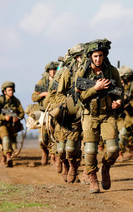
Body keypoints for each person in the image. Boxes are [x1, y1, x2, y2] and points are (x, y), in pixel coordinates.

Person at [75, 38, 123, 193]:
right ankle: (93, 179)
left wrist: (118, 102)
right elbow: (80, 97)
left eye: (100, 56)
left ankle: (106, 168)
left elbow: (120, 93)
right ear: (90, 56)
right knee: (90, 150)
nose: (98, 59)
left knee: (114, 149)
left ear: (104, 56)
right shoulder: (83, 73)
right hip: (89, 114)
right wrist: (96, 88)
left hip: (107, 114)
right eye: (95, 56)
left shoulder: (112, 71)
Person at [49, 43, 85, 182]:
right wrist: (66, 105)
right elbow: (57, 94)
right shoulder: (65, 73)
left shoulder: (90, 72)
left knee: (73, 147)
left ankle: (73, 167)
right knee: (61, 149)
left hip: (80, 115)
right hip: (65, 115)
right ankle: (65, 164)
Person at [0, 81, 24, 167]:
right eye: (9, 90)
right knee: (5, 139)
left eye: (12, 90)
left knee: (8, 142)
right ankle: (9, 157)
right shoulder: (0, 100)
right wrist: (4, 118)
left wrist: (17, 117)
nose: (11, 92)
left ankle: (3, 159)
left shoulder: (16, 101)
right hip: (1, 124)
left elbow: (22, 113)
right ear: (4, 91)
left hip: (12, 126)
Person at [31, 62, 58, 165]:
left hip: (55, 110)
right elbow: (33, 98)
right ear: (48, 71)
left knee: (55, 133)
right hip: (44, 111)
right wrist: (42, 94)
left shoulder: (59, 80)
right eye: (51, 70)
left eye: (55, 69)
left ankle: (53, 155)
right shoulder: (42, 82)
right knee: (43, 137)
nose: (53, 71)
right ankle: (44, 152)